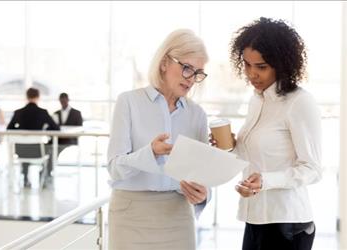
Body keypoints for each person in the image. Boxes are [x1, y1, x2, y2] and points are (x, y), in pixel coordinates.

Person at [107, 29, 210, 250]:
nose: (191, 79)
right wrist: (150, 153)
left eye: (198, 73)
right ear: (164, 63)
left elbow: (200, 177)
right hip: (130, 215)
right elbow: (114, 168)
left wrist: (202, 194)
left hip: (178, 217)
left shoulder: (197, 115)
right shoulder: (128, 102)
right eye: (187, 68)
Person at [228, 17, 322, 250]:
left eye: (261, 67)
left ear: (281, 64)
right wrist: (231, 145)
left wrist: (266, 181)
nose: (252, 74)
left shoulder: (299, 102)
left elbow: (313, 169)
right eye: (247, 64)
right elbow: (255, 155)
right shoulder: (257, 101)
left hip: (287, 224)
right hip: (256, 219)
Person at [7, 88, 60, 188]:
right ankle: (44, 174)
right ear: (38, 97)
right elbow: (56, 128)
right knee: (51, 150)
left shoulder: (18, 112)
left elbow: (9, 129)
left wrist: (21, 133)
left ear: (27, 97)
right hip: (38, 151)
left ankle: (25, 177)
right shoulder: (43, 112)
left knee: (26, 148)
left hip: (20, 151)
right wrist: (45, 129)